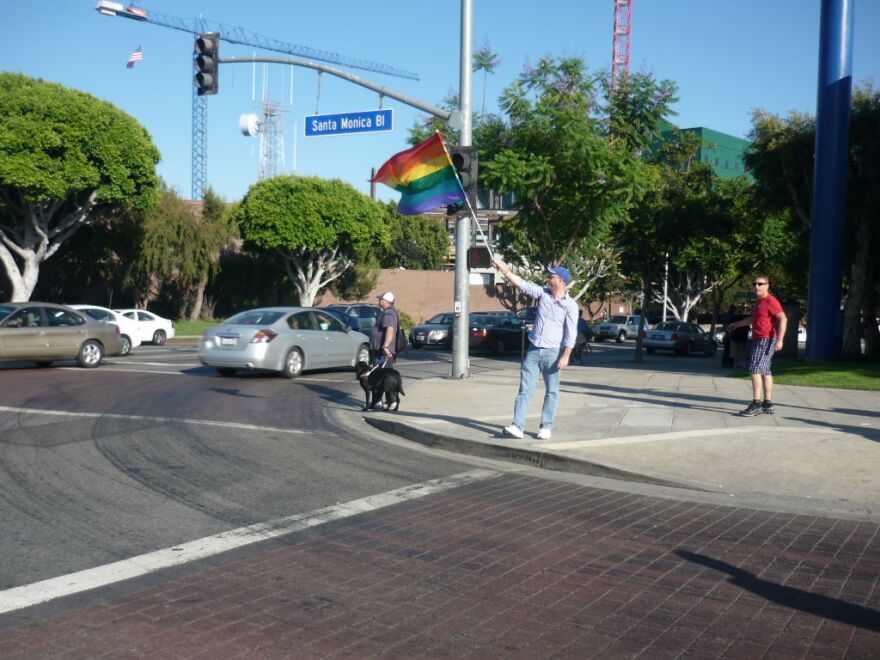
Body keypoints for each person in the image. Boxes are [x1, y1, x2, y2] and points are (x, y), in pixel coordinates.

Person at [492, 257, 579, 440]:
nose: (549, 278)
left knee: (552, 391)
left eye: (553, 276)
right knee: (525, 389)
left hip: (553, 353)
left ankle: (546, 427)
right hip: (533, 350)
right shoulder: (543, 294)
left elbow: (571, 333)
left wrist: (566, 356)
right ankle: (517, 426)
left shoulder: (570, 306)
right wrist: (503, 269)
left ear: (561, 281)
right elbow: (523, 284)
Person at [727, 275, 787, 416]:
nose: (757, 287)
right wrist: (737, 324)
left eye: (760, 284)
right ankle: (767, 403)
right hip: (758, 339)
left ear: (767, 285)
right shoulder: (759, 302)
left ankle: (756, 403)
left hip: (765, 339)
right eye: (754, 284)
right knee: (765, 371)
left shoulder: (770, 301)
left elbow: (783, 318)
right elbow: (752, 319)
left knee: (755, 369)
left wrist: (780, 339)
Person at [370, 291, 400, 369]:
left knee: (382, 376)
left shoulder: (388, 313)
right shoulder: (389, 312)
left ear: (385, 301)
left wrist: (385, 347)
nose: (379, 301)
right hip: (382, 351)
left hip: (383, 352)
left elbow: (390, 329)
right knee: (381, 376)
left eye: (380, 299)